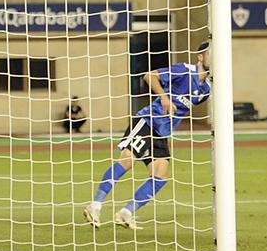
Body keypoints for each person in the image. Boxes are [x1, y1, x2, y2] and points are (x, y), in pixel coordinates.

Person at [83, 42, 211, 230]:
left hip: (162, 132)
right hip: (147, 121)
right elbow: (149, 76)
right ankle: (95, 206)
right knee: (127, 161)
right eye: (210, 53)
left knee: (160, 176)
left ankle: (125, 213)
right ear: (200, 56)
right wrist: (165, 98)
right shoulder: (183, 70)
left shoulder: (205, 91)